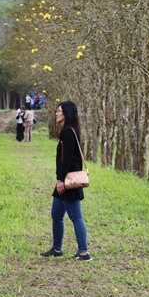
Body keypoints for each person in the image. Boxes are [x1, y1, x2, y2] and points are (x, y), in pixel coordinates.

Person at [41, 101, 91, 261]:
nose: (56, 114)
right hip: (64, 179)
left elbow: (67, 159)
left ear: (66, 114)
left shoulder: (69, 133)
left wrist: (61, 180)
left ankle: (84, 253)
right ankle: (57, 248)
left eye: (59, 111)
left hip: (69, 180)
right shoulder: (68, 131)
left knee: (76, 217)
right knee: (56, 214)